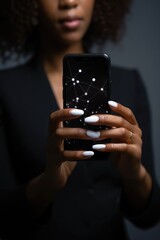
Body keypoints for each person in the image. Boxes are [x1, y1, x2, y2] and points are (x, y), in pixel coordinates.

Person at [0, 0, 160, 239]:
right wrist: (48, 183)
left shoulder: (129, 83)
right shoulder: (5, 89)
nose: (69, 2)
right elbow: (4, 217)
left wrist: (135, 175)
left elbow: (151, 217)